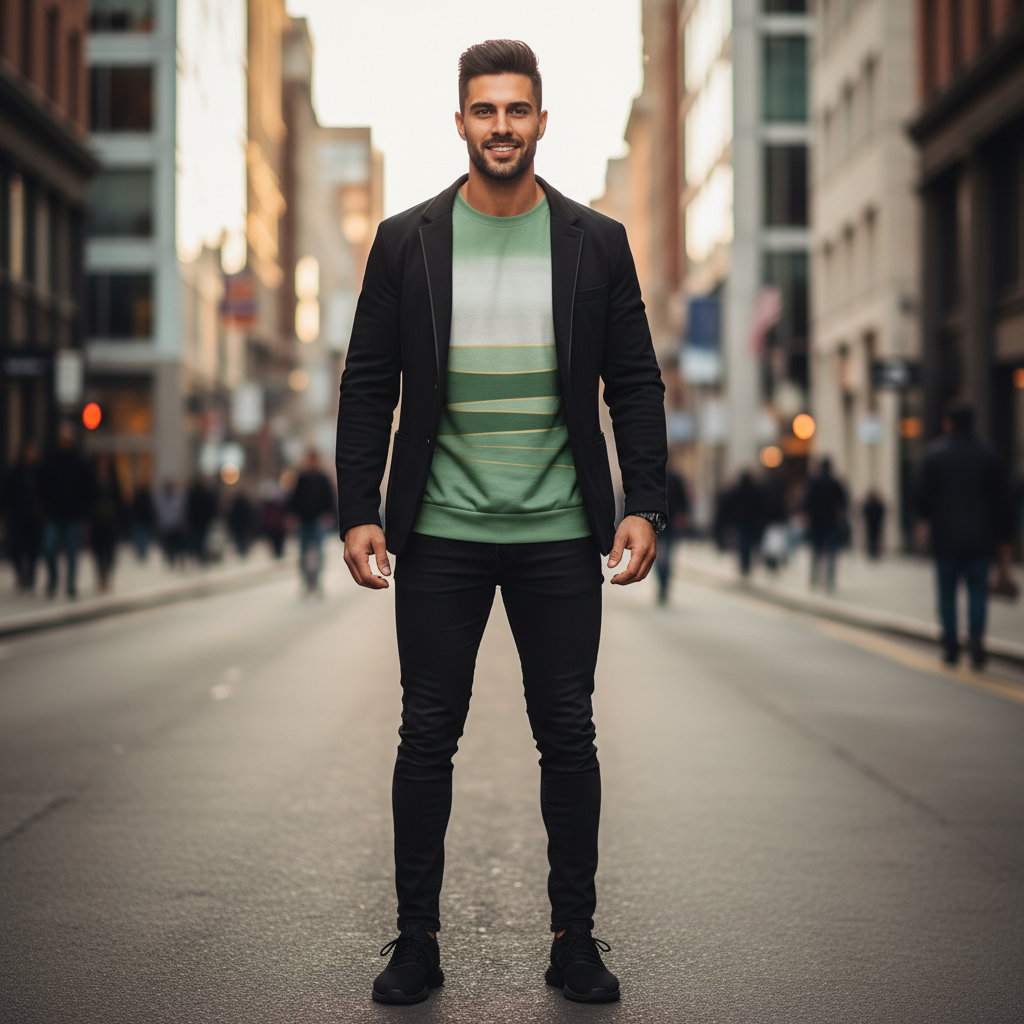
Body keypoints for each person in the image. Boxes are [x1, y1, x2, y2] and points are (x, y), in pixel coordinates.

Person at [335, 40, 666, 1007]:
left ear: (542, 122)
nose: (502, 128)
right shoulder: (408, 240)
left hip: (561, 533)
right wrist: (361, 509)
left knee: (567, 735)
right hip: (438, 532)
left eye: (518, 111)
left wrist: (642, 499)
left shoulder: (594, 241)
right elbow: (367, 387)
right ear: (461, 123)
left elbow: (636, 381)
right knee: (426, 735)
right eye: (486, 111)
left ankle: (574, 938)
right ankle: (416, 940)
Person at [917, 403, 1011, 668]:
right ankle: (977, 639)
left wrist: (924, 524)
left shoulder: (935, 456)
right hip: (982, 538)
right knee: (978, 591)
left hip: (945, 537)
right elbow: (1003, 500)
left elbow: (922, 497)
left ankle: (950, 643)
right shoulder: (989, 456)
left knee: (947, 592)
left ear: (948, 424)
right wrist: (1005, 539)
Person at [39, 422, 94, 599]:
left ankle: (70, 583)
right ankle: (54, 578)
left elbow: (88, 490)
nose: (66, 442)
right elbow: (42, 487)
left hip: (73, 515)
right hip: (54, 514)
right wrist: (44, 507)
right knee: (49, 548)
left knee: (72, 551)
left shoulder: (79, 463)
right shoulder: (50, 461)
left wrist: (84, 512)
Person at [287, 449, 336, 595]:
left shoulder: (323, 479)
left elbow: (329, 499)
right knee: (302, 553)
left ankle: (318, 581)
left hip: (318, 521)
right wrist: (292, 515)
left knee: (319, 553)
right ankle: (305, 581)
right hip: (303, 521)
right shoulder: (301, 478)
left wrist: (328, 515)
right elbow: (294, 499)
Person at [1, 441, 44, 593]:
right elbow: (5, 494)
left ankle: (30, 579)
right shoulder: (15, 471)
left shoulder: (40, 473)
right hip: (17, 516)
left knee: (33, 550)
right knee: (14, 548)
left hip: (34, 518)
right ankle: (21, 575)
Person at [802, 457, 848, 591]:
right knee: (832, 552)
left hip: (816, 522)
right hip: (831, 521)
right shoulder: (835, 483)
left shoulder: (814, 483)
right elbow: (844, 502)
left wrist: (807, 514)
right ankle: (830, 579)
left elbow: (807, 501)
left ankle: (814, 579)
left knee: (816, 552)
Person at [654, 469, 690, 604]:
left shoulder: (655, 477)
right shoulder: (675, 478)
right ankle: (664, 584)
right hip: (669, 522)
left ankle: (662, 584)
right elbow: (684, 502)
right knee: (666, 555)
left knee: (659, 556)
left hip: (659, 522)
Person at [724, 471, 768, 578]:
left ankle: (744, 564)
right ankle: (746, 565)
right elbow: (761, 506)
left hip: (742, 521)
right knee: (749, 543)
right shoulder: (755, 490)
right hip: (752, 522)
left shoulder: (738, 490)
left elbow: (730, 505)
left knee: (743, 543)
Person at [91, 456, 123, 592]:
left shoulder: (113, 480)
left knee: (110, 550)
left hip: (110, 520)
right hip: (97, 521)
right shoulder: (93, 479)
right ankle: (101, 574)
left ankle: (106, 574)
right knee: (98, 550)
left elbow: (119, 500)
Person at [186, 477, 217, 564]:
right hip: (201, 522)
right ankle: (200, 557)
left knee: (199, 540)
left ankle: (199, 556)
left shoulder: (193, 495)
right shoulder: (205, 495)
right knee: (200, 540)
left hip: (198, 522)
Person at [156, 481, 187, 567]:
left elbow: (181, 511)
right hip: (168, 525)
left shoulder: (177, 498)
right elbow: (160, 513)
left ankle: (178, 560)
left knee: (178, 545)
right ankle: (171, 559)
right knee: (170, 545)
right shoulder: (162, 499)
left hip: (175, 524)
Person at [131, 480, 156, 561]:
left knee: (139, 536)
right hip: (145, 520)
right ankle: (143, 552)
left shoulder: (137, 497)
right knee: (144, 537)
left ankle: (140, 552)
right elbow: (150, 509)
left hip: (139, 519)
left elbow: (134, 509)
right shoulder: (148, 497)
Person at [227, 490, 256, 558]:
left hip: (237, 525)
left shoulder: (235, 504)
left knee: (239, 539)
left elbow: (231, 515)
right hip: (243, 525)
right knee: (243, 538)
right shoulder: (246, 504)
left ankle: (241, 551)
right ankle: (243, 551)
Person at [862, 490, 885, 560]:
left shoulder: (871, 505)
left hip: (872, 524)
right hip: (875, 524)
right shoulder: (877, 505)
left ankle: (873, 552)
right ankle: (873, 552)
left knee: (872, 538)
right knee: (874, 538)